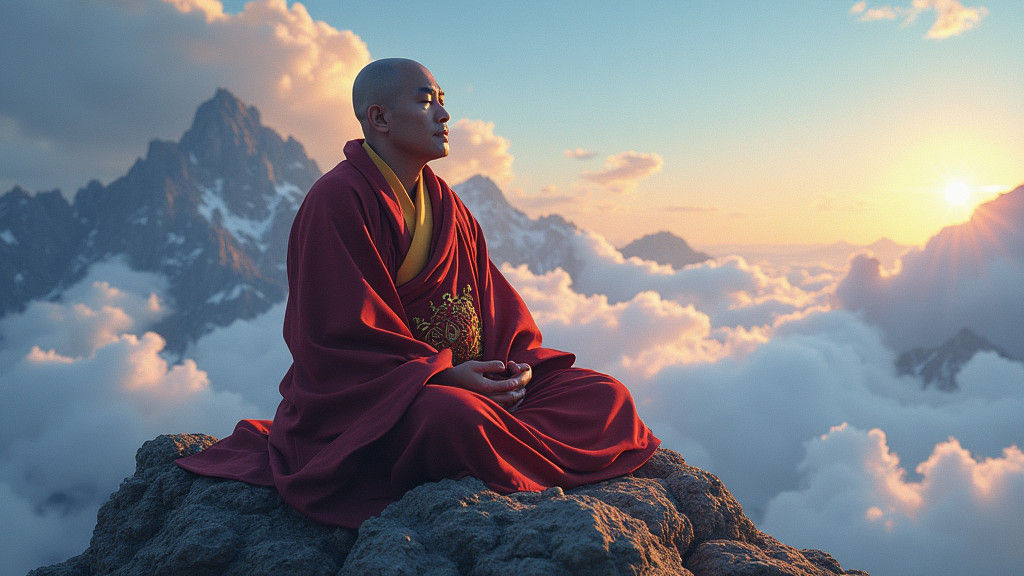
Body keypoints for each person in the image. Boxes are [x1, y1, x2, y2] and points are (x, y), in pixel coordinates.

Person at [177, 58, 660, 528]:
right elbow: (338, 340)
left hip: (476, 384)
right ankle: (506, 443)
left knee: (605, 394)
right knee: (454, 419)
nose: (445, 115)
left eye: (443, 101)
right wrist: (444, 379)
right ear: (379, 117)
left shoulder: (447, 204)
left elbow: (492, 304)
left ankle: (504, 438)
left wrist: (511, 371)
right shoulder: (337, 200)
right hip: (386, 403)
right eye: (427, 101)